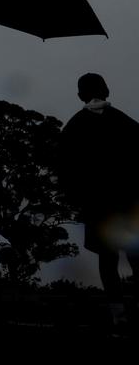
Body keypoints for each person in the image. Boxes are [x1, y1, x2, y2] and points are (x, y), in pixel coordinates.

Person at [60, 73, 139, 316]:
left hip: (97, 205)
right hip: (128, 202)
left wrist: (77, 199)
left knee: (107, 259)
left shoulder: (73, 127)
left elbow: (67, 170)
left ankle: (117, 313)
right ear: (106, 90)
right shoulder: (127, 123)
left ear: (80, 95)